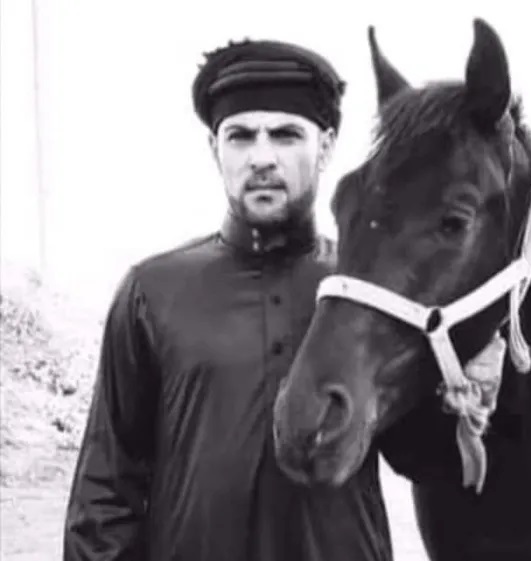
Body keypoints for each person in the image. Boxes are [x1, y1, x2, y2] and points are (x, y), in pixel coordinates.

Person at [62, 38, 393, 561]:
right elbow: (107, 489)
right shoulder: (152, 292)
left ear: (326, 146)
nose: (261, 157)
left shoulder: (366, 290)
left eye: (285, 134)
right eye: (240, 136)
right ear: (215, 148)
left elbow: (429, 458)